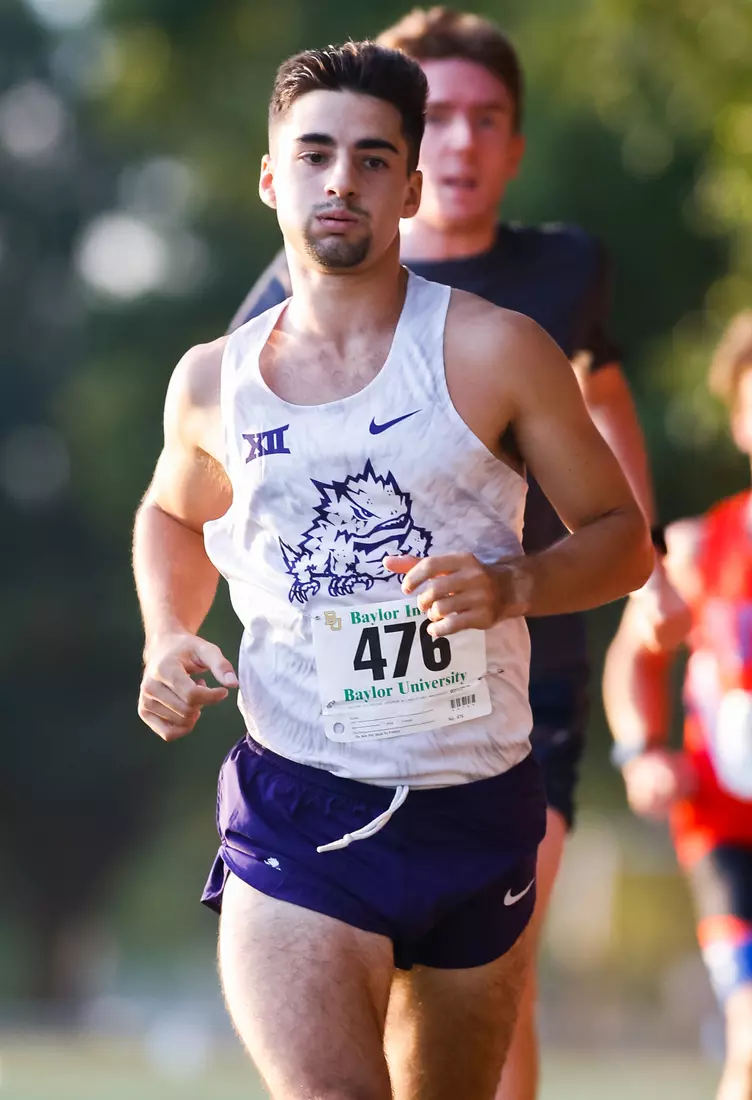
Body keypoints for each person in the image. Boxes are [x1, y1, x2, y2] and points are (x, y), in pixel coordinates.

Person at [134, 40, 652, 1100]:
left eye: (374, 160)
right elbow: (169, 515)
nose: (342, 179)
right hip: (299, 806)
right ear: (271, 175)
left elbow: (619, 538)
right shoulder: (210, 382)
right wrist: (166, 631)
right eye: (316, 153)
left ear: (409, 189)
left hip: (476, 802)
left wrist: (514, 584)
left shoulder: (498, 349)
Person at [604, 312, 752, 1100]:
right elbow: (635, 654)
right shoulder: (699, 549)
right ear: (740, 421)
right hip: (730, 834)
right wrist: (640, 751)